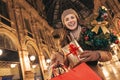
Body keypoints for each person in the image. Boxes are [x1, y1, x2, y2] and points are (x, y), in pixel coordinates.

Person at [60, 8, 117, 79]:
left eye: (72, 17)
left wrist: (97, 54)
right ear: (64, 24)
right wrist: (61, 61)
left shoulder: (91, 32)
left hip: (95, 75)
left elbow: (109, 55)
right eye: (67, 19)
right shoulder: (64, 41)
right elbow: (66, 64)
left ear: (77, 18)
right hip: (79, 76)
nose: (70, 21)